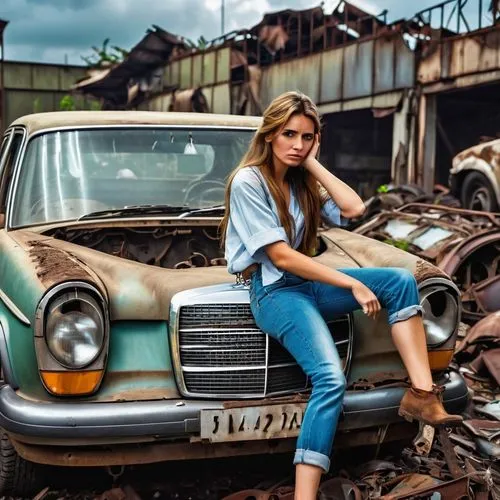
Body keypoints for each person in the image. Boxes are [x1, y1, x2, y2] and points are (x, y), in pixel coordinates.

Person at [220, 91, 463, 500]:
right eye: (289, 135)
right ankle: (305, 495)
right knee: (330, 378)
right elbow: (279, 256)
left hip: (305, 284)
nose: (297, 144)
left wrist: (311, 162)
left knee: (400, 281)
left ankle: (422, 396)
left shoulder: (301, 179)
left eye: (308, 136)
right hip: (275, 292)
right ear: (270, 135)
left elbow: (353, 208)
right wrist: (348, 282)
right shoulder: (249, 181)